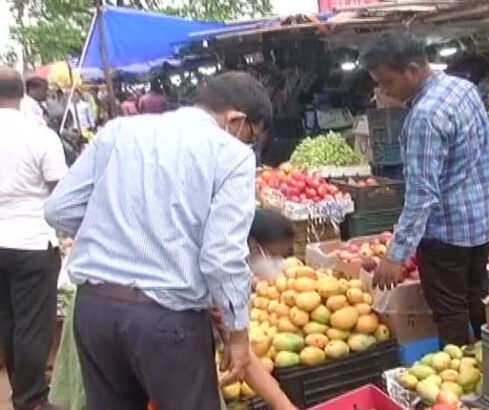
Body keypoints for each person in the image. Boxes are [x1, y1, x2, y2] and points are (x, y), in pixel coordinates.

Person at [44, 71, 272, 410]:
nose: (248, 144)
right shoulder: (231, 155)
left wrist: (115, 233)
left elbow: (59, 208)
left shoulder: (119, 131)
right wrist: (238, 334)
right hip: (167, 321)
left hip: (95, 309)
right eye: (250, 136)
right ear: (237, 119)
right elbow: (222, 255)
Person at [49, 209, 297, 410]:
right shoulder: (215, 268)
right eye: (274, 255)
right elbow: (240, 350)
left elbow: (239, 351)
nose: (277, 264)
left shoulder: (221, 265)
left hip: (111, 311)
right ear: (252, 245)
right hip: (129, 320)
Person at [360, 31, 489, 346]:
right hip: (481, 224)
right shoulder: (463, 88)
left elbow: (422, 196)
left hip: (446, 234)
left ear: (412, 69)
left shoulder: (425, 116)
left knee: (449, 313)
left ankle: (455, 376)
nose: (383, 90)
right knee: (478, 299)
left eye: (387, 81)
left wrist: (396, 255)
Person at [0, 67, 68, 410]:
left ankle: (20, 390)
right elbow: (61, 190)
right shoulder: (39, 135)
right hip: (31, 240)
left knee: (7, 321)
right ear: (22, 94)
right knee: (32, 325)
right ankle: (31, 399)